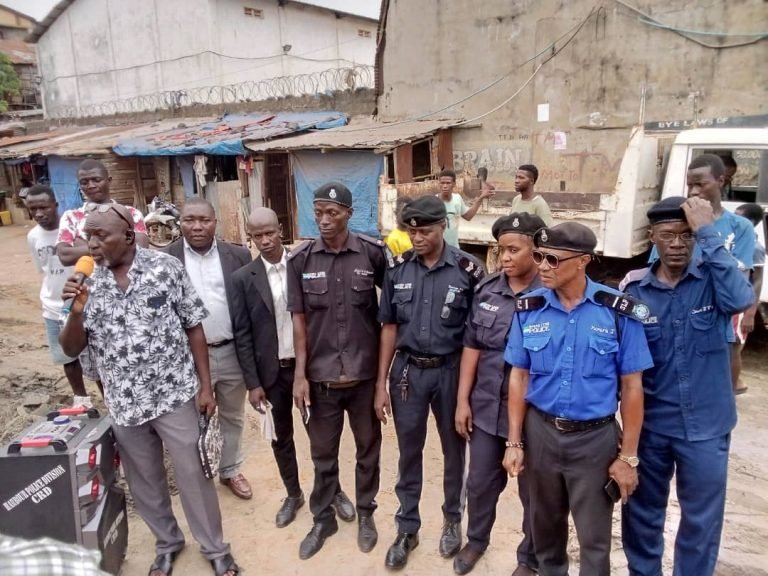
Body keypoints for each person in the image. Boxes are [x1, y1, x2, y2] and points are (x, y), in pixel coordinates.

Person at [59, 204, 240, 576]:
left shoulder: (166, 268)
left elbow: (194, 327)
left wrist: (206, 388)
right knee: (145, 481)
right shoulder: (86, 283)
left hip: (174, 395)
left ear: (127, 236)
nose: (91, 244)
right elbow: (71, 348)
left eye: (100, 236)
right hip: (125, 404)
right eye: (87, 236)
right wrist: (76, 312)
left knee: (195, 475)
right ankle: (167, 543)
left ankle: (214, 548)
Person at [503, 222, 653, 576]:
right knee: (545, 531)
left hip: (594, 440)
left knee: (594, 539)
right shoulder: (529, 308)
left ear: (583, 261)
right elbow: (518, 376)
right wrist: (515, 441)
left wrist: (628, 457)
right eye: (538, 256)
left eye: (552, 259)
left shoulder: (617, 312)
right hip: (541, 434)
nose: (541, 266)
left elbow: (632, 387)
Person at [620, 196, 754, 576]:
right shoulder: (635, 291)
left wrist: (708, 233)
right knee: (643, 515)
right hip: (652, 427)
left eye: (686, 235)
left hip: (707, 427)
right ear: (653, 238)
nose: (678, 244)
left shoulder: (714, 279)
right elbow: (623, 366)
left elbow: (742, 299)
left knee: (700, 521)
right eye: (668, 236)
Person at [376, 195, 485, 570]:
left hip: (452, 372)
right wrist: (380, 384)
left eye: (424, 231)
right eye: (411, 231)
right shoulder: (399, 269)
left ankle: (452, 519)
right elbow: (389, 327)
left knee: (454, 451)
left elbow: (476, 339)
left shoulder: (469, 270)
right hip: (407, 373)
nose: (417, 238)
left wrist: (467, 395)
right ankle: (407, 527)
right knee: (409, 451)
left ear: (443, 227)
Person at [287, 182, 384, 559]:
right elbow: (299, 322)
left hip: (363, 378)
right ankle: (322, 517)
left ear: (348, 213)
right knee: (323, 454)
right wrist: (299, 375)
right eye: (319, 211)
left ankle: (366, 514)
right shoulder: (301, 260)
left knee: (367, 452)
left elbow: (388, 317)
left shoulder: (372, 255)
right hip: (320, 379)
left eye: (332, 212)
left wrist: (382, 381)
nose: (324, 220)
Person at [453, 213, 545, 576]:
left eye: (513, 250)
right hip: (488, 408)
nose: (505, 257)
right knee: (479, 483)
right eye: (501, 250)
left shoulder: (550, 293)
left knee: (535, 493)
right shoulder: (488, 290)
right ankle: (476, 541)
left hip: (534, 414)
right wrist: (462, 401)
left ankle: (530, 558)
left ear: (535, 251)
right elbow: (472, 347)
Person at [166, 197, 253, 500]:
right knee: (190, 422)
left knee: (232, 416)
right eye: (190, 219)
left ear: (215, 222)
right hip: (187, 358)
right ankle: (198, 478)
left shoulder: (239, 256)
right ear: (180, 222)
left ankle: (230, 470)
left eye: (204, 220)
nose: (197, 226)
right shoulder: (167, 258)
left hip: (231, 351)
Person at [649, 154, 754, 393]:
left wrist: (749, 312)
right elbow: (657, 270)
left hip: (714, 321)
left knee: (713, 387)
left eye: (701, 183)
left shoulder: (740, 227)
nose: (694, 191)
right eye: (690, 184)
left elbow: (740, 281)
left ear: (721, 180)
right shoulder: (678, 221)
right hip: (672, 318)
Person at [230, 207, 306, 527]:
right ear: (251, 238)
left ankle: (332, 492)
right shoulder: (243, 279)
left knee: (321, 433)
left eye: (269, 233)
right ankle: (293, 494)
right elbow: (243, 334)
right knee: (282, 438)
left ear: (280, 229)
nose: (264, 241)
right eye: (256, 236)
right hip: (271, 375)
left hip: (306, 370)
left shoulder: (302, 266)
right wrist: (252, 383)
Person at [25, 185, 90, 408]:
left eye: (44, 207)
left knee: (94, 357)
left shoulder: (74, 231)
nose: (40, 213)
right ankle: (81, 399)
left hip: (84, 303)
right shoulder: (33, 236)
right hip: (53, 307)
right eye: (34, 209)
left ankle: (109, 401)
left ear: (56, 205)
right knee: (67, 358)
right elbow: (42, 269)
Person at [56, 159, 148, 266]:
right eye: (84, 182)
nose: (91, 185)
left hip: (127, 280)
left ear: (109, 180)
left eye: (97, 180)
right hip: (88, 281)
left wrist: (82, 245)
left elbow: (141, 251)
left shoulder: (131, 213)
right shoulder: (71, 217)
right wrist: (118, 244)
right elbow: (65, 256)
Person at [732, 203, 766, 389]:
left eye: (738, 216)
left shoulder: (754, 247)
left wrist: (751, 313)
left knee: (735, 347)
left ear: (750, 222)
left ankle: (734, 386)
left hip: (742, 307)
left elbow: (757, 282)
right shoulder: (734, 241)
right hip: (731, 304)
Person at [437, 169, 495, 248]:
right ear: (439, 184)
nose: (445, 186)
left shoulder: (457, 199)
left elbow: (468, 216)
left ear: (454, 184)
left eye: (448, 183)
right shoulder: (434, 202)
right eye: (442, 183)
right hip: (437, 249)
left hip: (454, 248)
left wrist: (481, 198)